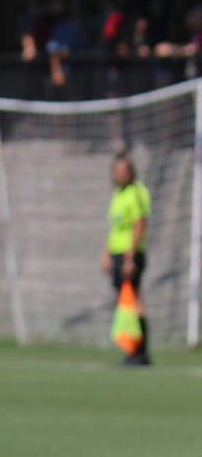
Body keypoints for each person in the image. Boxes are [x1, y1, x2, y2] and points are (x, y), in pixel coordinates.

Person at [102, 153, 152, 366]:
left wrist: (130, 256)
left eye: (124, 170)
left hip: (130, 255)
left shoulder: (136, 192)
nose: (120, 174)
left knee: (135, 301)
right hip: (117, 253)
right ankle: (131, 352)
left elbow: (140, 223)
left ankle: (140, 353)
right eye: (117, 170)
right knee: (125, 304)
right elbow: (115, 229)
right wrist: (106, 253)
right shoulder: (117, 194)